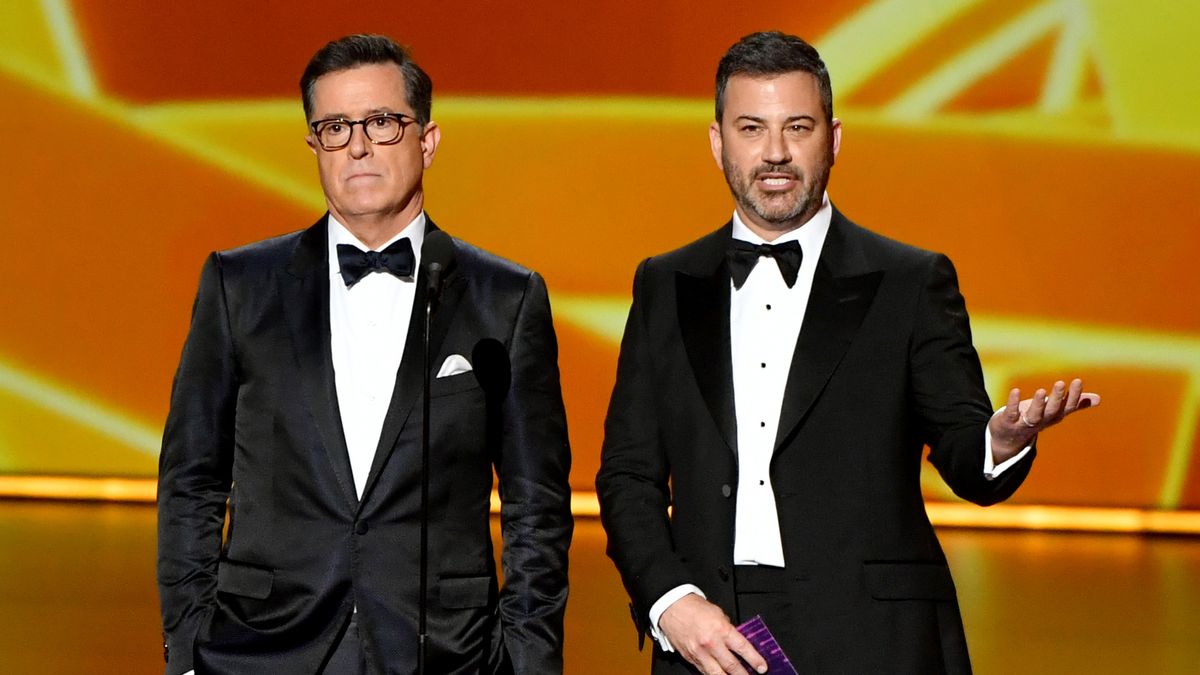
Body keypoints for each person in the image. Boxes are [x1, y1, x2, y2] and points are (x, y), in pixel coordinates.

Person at [595, 31, 1098, 675]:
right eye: (752, 128)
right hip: (709, 635)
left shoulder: (911, 281)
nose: (775, 153)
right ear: (718, 142)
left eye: (797, 127)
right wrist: (671, 601)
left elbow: (964, 452)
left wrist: (1000, 441)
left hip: (874, 636)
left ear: (833, 139)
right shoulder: (664, 284)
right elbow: (628, 476)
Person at [157, 34, 572, 675]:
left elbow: (536, 505)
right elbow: (192, 480)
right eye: (334, 127)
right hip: (261, 649)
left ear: (427, 141)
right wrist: (188, 648)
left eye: (381, 121)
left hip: (444, 653)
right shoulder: (238, 286)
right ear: (313, 146)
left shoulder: (505, 298)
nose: (357, 144)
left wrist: (527, 661)